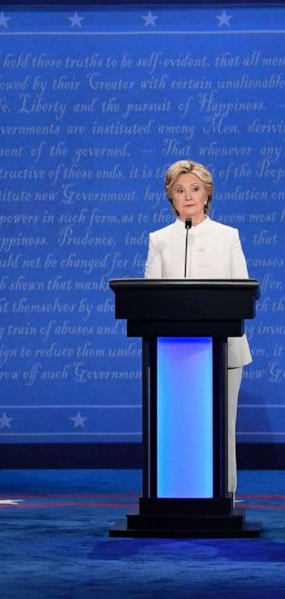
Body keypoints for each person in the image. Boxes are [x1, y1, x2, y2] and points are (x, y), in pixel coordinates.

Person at [144, 159, 251, 498]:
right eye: (179, 190)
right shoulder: (159, 240)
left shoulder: (228, 236)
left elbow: (243, 293)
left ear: (207, 195)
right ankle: (176, 495)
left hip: (225, 351)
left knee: (222, 427)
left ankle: (224, 496)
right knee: (179, 427)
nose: (187, 196)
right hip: (173, 354)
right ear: (170, 198)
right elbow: (148, 299)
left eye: (194, 189)